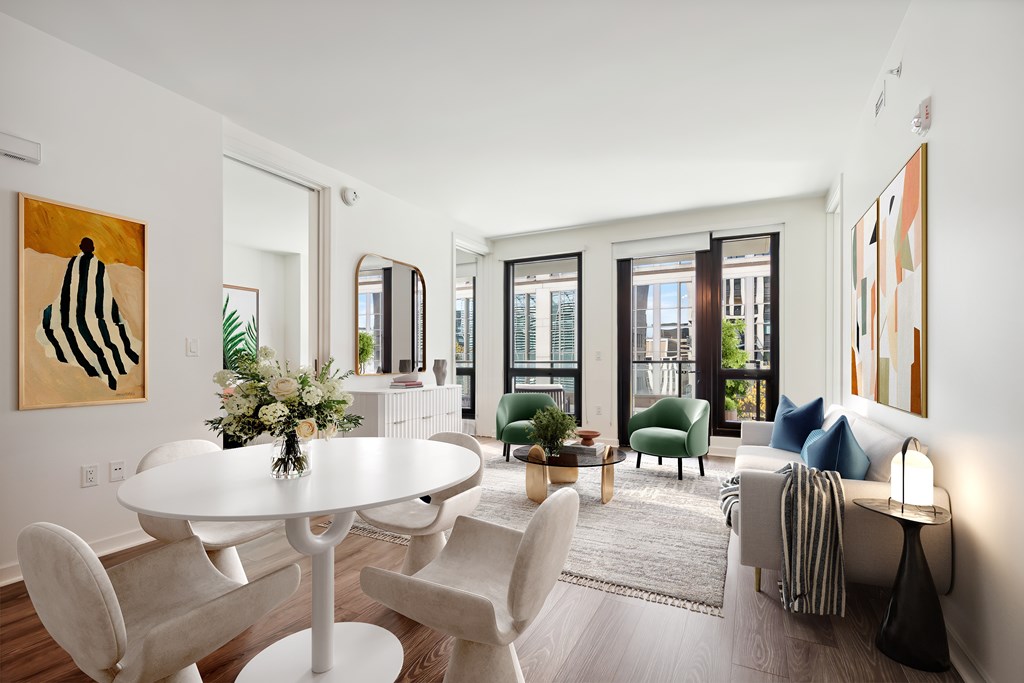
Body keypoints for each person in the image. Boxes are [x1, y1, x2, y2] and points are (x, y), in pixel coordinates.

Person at [36, 237, 141, 391]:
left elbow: (98, 291)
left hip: (92, 312)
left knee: (102, 340)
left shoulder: (88, 264)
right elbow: (72, 288)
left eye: (87, 246)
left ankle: (103, 368)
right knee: (104, 341)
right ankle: (106, 368)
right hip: (81, 311)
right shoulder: (92, 265)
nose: (86, 248)